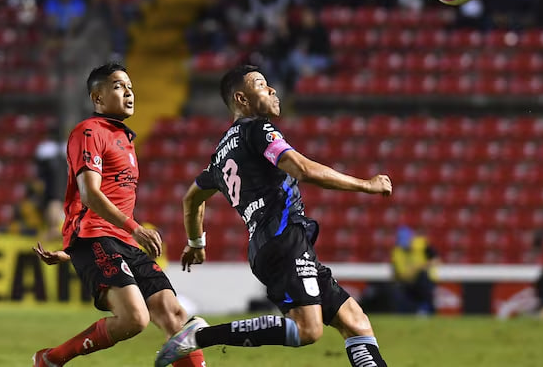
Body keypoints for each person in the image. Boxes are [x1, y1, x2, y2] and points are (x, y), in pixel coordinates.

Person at [156, 65, 392, 367]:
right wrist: (366, 185)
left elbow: (191, 199)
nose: (272, 90)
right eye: (261, 84)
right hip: (284, 239)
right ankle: (198, 337)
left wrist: (196, 241)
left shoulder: (220, 155)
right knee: (309, 329)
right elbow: (302, 169)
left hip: (273, 243)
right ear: (241, 98)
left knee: (355, 322)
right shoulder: (257, 129)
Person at [31, 63, 205, 367]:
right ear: (97, 98)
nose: (129, 92)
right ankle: (51, 359)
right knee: (134, 318)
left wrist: (80, 253)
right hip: (95, 237)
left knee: (175, 317)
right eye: (118, 86)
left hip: (121, 242)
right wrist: (134, 229)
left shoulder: (124, 139)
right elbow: (90, 195)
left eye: (130, 87)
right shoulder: (88, 131)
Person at [390, 226, 439, 315]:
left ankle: (426, 310)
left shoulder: (422, 244)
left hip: (425, 280)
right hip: (407, 281)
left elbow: (436, 260)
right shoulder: (397, 251)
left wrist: (418, 267)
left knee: (422, 278)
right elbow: (396, 272)